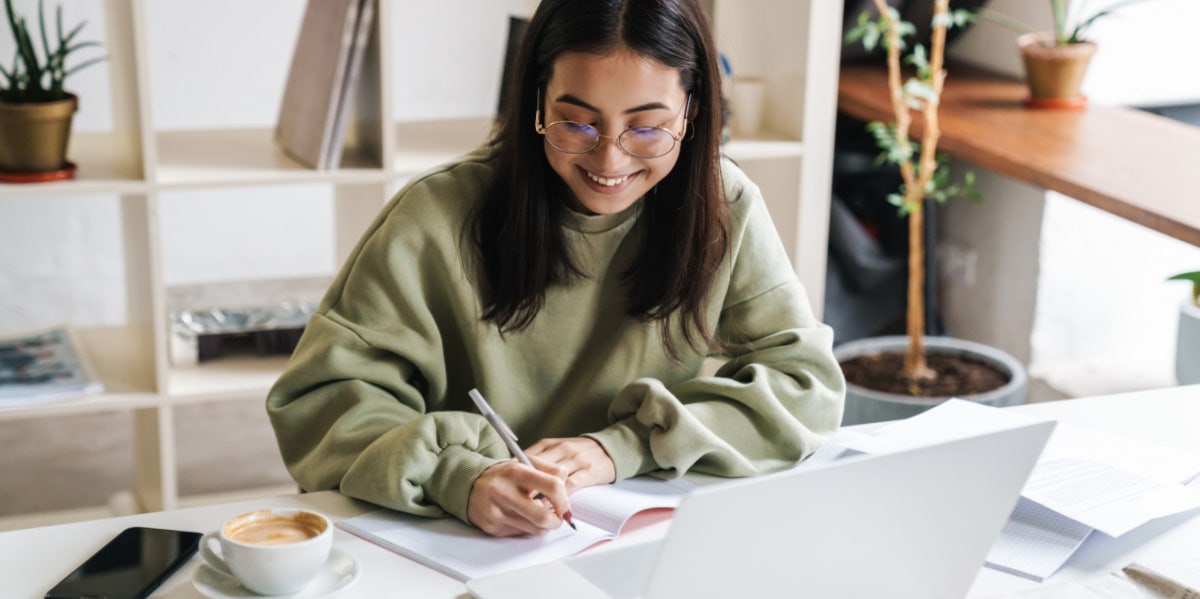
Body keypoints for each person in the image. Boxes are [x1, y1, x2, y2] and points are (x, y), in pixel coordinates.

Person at [267, 0, 845, 538]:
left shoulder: (723, 207)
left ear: (692, 113)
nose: (610, 160)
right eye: (578, 122)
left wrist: (622, 448)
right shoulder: (436, 215)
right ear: (537, 100)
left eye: (647, 127)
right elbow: (322, 405)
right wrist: (457, 476)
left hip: (636, 535)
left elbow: (807, 384)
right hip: (460, 539)